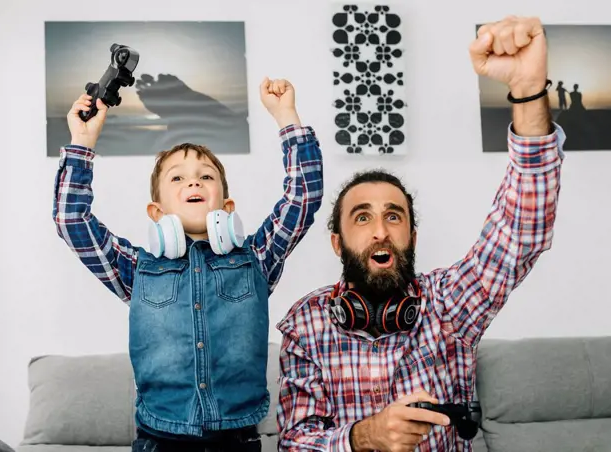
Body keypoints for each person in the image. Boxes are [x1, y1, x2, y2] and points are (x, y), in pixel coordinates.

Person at [276, 16, 566, 452]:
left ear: (412, 234)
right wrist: (365, 436)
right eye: (361, 218)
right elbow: (294, 443)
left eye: (394, 217)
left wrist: (528, 91)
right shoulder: (305, 323)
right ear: (336, 243)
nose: (380, 231)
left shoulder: (450, 305)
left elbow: (520, 231)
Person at [52, 77, 324, 452]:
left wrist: (286, 117)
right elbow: (71, 220)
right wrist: (83, 142)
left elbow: (304, 197)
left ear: (226, 207)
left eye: (206, 176)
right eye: (177, 177)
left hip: (237, 441)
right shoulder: (136, 270)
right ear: (157, 211)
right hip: (159, 441)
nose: (193, 181)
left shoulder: (257, 257)